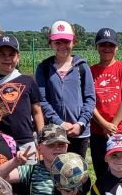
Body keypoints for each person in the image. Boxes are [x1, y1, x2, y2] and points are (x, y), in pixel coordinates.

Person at [0, 34, 44, 155]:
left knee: (28, 173)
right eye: (2, 54)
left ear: (18, 57)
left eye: (11, 54)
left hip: (26, 141)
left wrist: (42, 139)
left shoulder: (28, 81)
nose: (7, 58)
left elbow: (37, 111)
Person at [36, 20, 96, 156]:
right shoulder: (44, 68)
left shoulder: (82, 67)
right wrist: (60, 123)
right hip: (55, 131)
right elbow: (42, 100)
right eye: (58, 42)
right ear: (50, 43)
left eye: (66, 42)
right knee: (55, 170)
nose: (62, 46)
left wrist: (81, 123)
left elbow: (90, 98)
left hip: (79, 132)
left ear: (74, 42)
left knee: (78, 171)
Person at [89, 27, 122, 179]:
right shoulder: (91, 71)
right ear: (97, 47)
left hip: (121, 129)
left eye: (111, 45)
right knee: (101, 172)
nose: (107, 48)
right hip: (98, 131)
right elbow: (88, 101)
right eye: (103, 45)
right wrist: (104, 125)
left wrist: (112, 126)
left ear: (116, 47)